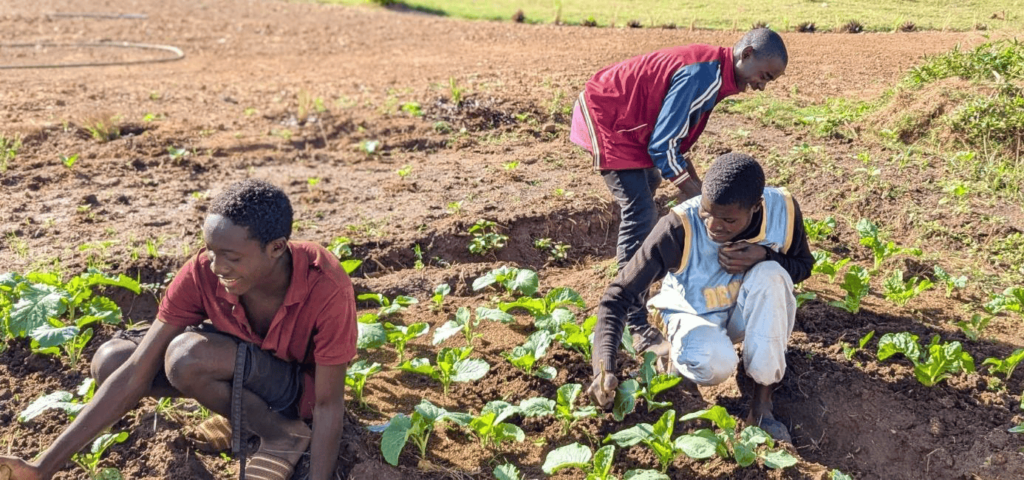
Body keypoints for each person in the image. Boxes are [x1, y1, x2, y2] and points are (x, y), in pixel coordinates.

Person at [0, 179, 357, 480]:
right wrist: (42, 468)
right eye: (211, 251)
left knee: (187, 357)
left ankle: (282, 434)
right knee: (112, 361)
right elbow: (135, 371)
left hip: (295, 391)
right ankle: (250, 423)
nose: (216, 266)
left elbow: (328, 404)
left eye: (232, 257)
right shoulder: (204, 270)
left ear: (276, 247)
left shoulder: (325, 284)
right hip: (241, 365)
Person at [569, 28, 789, 353]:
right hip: (609, 115)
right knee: (640, 210)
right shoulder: (704, 76)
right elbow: (663, 146)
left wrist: (701, 195)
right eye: (764, 76)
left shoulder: (715, 72)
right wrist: (702, 200)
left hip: (635, 121)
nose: (761, 86)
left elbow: (677, 139)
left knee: (650, 184)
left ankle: (644, 274)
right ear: (747, 55)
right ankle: (633, 320)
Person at [586, 153, 813, 442]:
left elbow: (803, 266)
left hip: (744, 313)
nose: (713, 226)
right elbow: (618, 295)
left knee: (772, 275)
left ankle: (762, 407)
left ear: (756, 206)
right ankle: (679, 365)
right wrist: (604, 366)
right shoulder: (680, 226)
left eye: (728, 220)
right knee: (714, 364)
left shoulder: (782, 211)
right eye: (707, 212)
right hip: (692, 312)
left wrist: (766, 256)